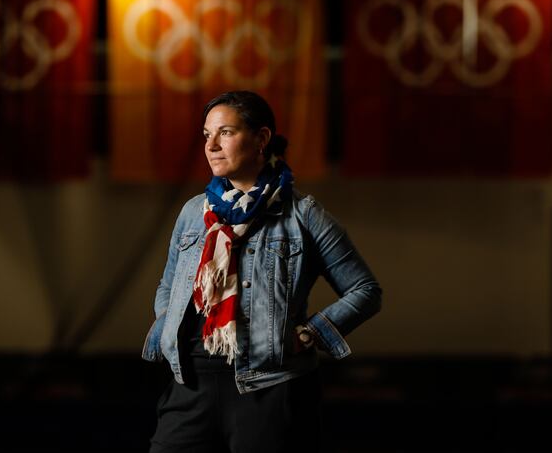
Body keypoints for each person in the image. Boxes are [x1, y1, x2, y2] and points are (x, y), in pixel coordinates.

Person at [142, 90, 382, 453]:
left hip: (269, 390)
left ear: (261, 138)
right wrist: (167, 323)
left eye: (226, 132)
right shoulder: (194, 211)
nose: (212, 145)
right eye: (207, 135)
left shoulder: (303, 215)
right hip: (189, 384)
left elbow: (365, 289)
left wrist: (310, 333)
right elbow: (169, 284)